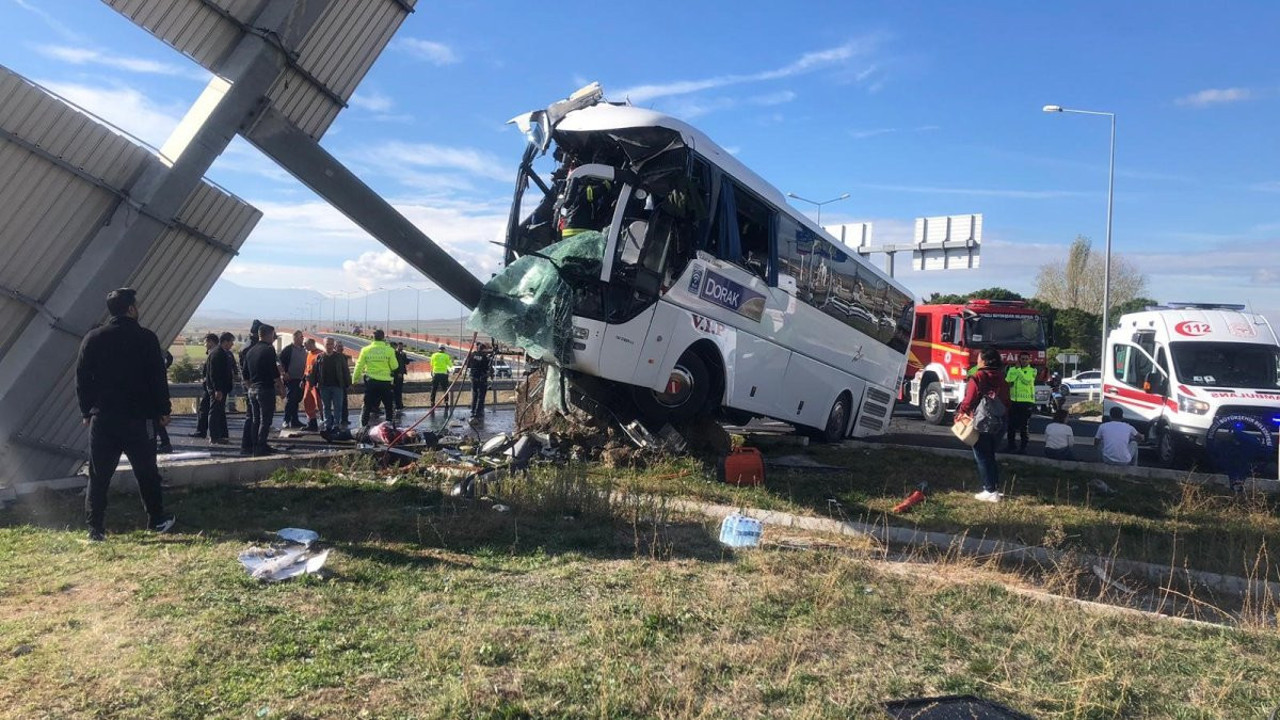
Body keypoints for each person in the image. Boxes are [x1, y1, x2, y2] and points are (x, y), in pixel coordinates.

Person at [75, 287, 175, 541]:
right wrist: (163, 410)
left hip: (104, 418)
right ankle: (156, 520)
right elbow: (157, 378)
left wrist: (86, 410)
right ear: (131, 309)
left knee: (99, 475)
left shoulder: (93, 338)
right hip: (139, 418)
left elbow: (82, 379)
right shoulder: (146, 338)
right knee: (146, 471)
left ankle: (95, 528)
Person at [956, 348, 1011, 502]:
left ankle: (990, 490)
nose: (977, 361)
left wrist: (961, 412)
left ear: (985, 361)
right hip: (1000, 420)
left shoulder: (978, 377)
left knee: (982, 455)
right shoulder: (1002, 377)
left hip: (982, 421)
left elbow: (969, 399)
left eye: (979, 358)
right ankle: (995, 487)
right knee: (990, 454)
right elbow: (1007, 400)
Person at [243, 323, 284, 456]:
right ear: (269, 335)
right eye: (273, 335)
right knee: (265, 420)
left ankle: (256, 446)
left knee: (256, 419)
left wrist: (251, 388)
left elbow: (245, 374)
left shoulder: (250, 351)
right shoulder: (268, 349)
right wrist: (281, 388)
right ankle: (261, 447)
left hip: (253, 389)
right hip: (265, 389)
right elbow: (274, 371)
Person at [352, 329, 399, 427]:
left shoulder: (365, 350)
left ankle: (363, 426)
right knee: (388, 406)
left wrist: (355, 379)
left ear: (373, 338)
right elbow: (394, 366)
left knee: (367, 405)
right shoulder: (389, 350)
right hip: (385, 383)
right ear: (383, 338)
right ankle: (389, 426)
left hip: (371, 382)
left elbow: (359, 366)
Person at [205, 331, 236, 444]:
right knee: (215, 412)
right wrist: (217, 389)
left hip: (221, 389)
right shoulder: (218, 353)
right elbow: (214, 373)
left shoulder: (221, 352)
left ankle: (221, 434)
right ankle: (214, 436)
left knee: (219, 412)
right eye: (231, 342)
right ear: (225, 342)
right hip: (218, 389)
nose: (232, 344)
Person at [316, 338, 351, 434]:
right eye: (328, 344)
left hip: (337, 386)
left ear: (333, 345)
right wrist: (314, 382)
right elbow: (316, 371)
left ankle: (336, 425)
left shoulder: (340, 357)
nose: (329, 346)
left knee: (338, 407)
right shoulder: (320, 357)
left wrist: (348, 383)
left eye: (331, 344)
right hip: (324, 386)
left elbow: (345, 370)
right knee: (326, 407)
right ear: (324, 345)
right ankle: (327, 425)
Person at [1004, 352, 1037, 453]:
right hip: (1014, 400)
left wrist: (1018, 370)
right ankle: (1011, 446)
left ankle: (1023, 448)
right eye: (1022, 359)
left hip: (1026, 402)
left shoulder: (1032, 370)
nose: (1024, 361)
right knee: (1011, 425)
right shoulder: (1012, 370)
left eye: (1026, 359)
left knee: (1023, 426)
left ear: (1029, 360)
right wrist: (1014, 372)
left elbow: (1026, 381)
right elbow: (1008, 380)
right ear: (1019, 359)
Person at [189, 333, 219, 439]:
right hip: (211, 387)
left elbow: (213, 372)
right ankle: (204, 432)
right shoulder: (214, 352)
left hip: (211, 387)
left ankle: (205, 432)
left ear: (211, 342)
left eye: (205, 342)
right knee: (206, 409)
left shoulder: (215, 353)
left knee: (206, 409)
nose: (204, 344)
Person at [277, 330, 306, 429]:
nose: (302, 339)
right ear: (295, 338)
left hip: (301, 379)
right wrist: (283, 373)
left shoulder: (304, 350)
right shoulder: (288, 349)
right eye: (301, 337)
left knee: (297, 400)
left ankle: (295, 420)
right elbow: (279, 362)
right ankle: (286, 420)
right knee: (291, 400)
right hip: (291, 379)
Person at [467, 342, 493, 420]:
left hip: (473, 377)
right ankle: (478, 413)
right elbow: (487, 368)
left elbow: (468, 365)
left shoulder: (472, 354)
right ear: (484, 349)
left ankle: (473, 411)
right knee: (481, 396)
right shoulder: (485, 357)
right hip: (482, 378)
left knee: (474, 395)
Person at [301, 337, 322, 431]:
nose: (304, 346)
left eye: (305, 344)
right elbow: (306, 368)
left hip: (316, 382)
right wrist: (303, 380)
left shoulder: (320, 354)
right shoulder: (309, 354)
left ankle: (325, 421)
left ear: (311, 344)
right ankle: (311, 422)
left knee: (319, 402)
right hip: (308, 382)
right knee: (307, 401)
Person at [155, 350, 174, 454]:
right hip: (156, 389)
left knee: (154, 419)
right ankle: (165, 443)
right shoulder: (161, 349)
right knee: (156, 419)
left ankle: (165, 443)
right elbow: (170, 358)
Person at [429, 345, 453, 410]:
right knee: (445, 389)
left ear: (438, 349)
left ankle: (432, 402)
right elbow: (450, 365)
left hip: (436, 374)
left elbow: (431, 364)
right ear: (444, 349)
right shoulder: (446, 356)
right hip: (443, 375)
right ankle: (446, 402)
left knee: (434, 389)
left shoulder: (433, 355)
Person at [335, 340, 352, 428]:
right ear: (335, 347)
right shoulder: (333, 357)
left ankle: (344, 419)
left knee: (344, 402)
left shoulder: (344, 357)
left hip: (343, 383)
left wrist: (349, 383)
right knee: (337, 403)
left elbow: (346, 371)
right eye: (339, 346)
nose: (341, 348)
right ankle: (337, 420)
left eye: (341, 346)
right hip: (335, 383)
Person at [392, 342, 410, 413]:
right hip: (396, 374)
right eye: (399, 346)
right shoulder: (394, 353)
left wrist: (408, 360)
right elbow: (397, 364)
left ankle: (400, 405)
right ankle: (397, 405)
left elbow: (405, 362)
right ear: (397, 346)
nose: (401, 348)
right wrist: (398, 372)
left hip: (401, 374)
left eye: (402, 346)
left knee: (399, 390)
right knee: (396, 390)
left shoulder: (403, 354)